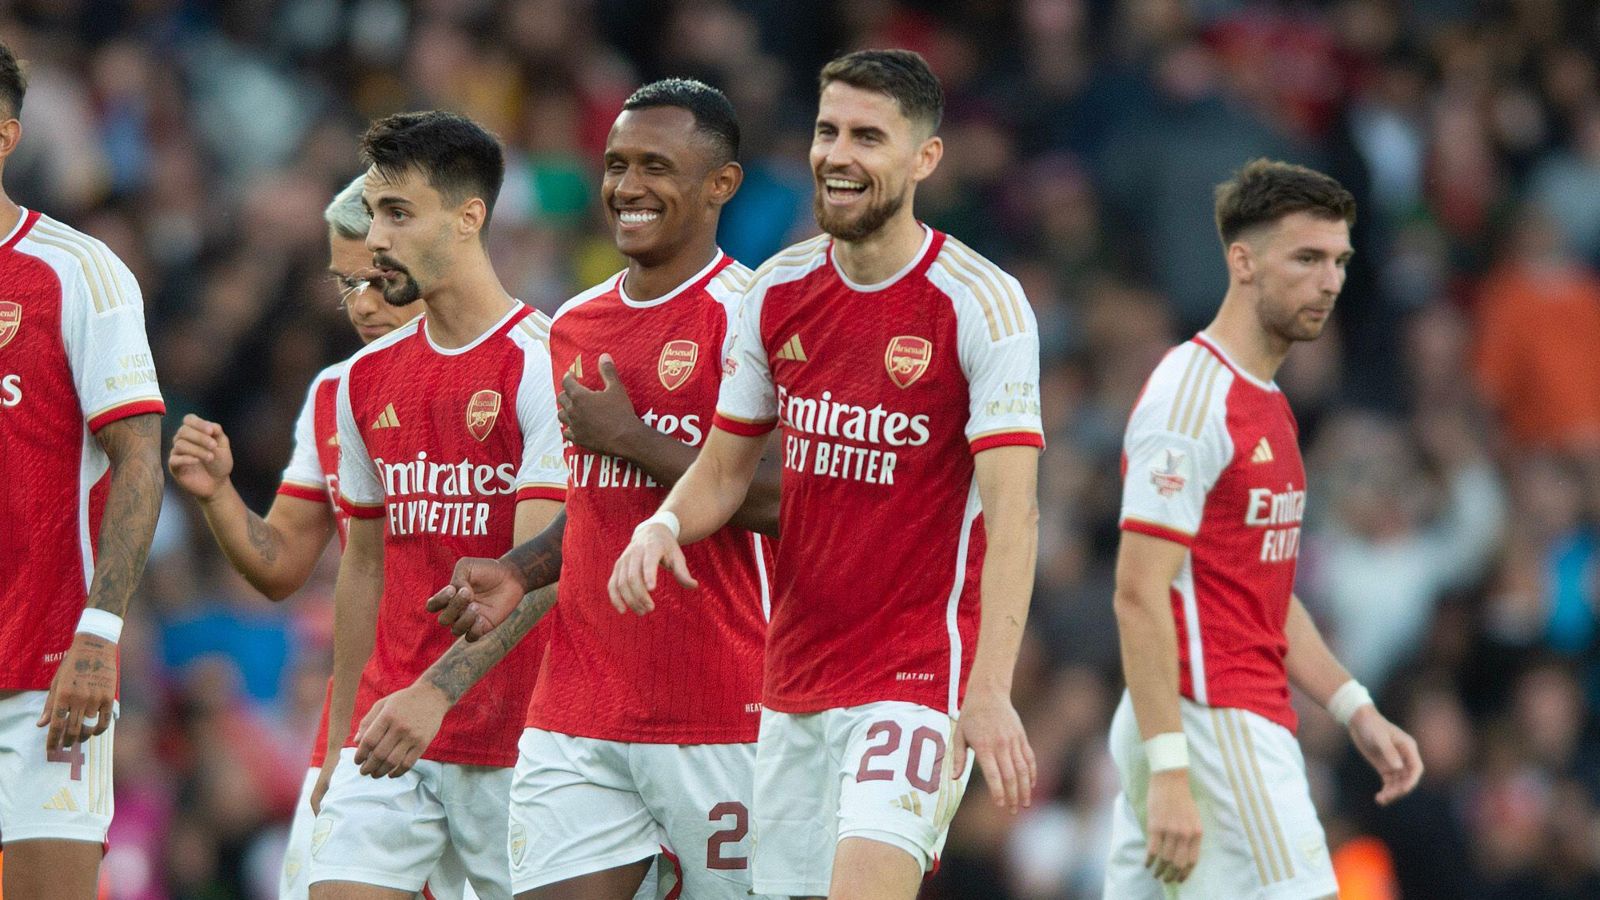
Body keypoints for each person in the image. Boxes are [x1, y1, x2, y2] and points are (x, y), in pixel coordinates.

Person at [609, 49, 1044, 900]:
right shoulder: (776, 289)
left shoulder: (980, 302)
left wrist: (989, 689)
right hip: (794, 683)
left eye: (867, 137)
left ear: (924, 159)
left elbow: (1015, 515)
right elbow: (724, 470)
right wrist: (662, 524)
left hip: (917, 680)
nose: (838, 155)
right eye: (827, 131)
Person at [358, 77, 782, 900]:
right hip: (578, 711)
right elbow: (595, 506)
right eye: (617, 163)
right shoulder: (578, 323)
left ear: (720, 184)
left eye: (656, 166)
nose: (627, 186)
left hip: (720, 708)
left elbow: (790, 502)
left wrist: (633, 439)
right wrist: (519, 570)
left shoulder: (752, 314)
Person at [1103, 158, 1424, 897]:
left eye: (1340, 261)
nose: (1331, 282)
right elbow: (1138, 593)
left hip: (1196, 720)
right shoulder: (1191, 401)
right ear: (1243, 261)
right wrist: (1175, 771)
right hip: (1214, 723)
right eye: (1307, 258)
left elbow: (1261, 591)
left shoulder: (1267, 402)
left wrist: (1353, 707)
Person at [166, 175, 475, 900]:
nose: (361, 304)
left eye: (378, 280)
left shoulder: (521, 365)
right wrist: (218, 496)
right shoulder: (336, 392)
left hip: (497, 725)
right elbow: (280, 566)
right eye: (346, 284)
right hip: (366, 725)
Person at [306, 111, 566, 900]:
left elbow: (540, 575)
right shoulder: (363, 378)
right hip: (390, 733)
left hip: (518, 744)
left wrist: (438, 692)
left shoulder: (542, 362)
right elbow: (363, 566)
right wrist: (340, 740)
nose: (376, 240)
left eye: (398, 214)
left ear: (468, 217)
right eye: (373, 214)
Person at [0, 38, 165, 900]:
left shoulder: (77, 273)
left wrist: (98, 635)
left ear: (6, 137)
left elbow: (140, 462)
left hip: (42, 670)